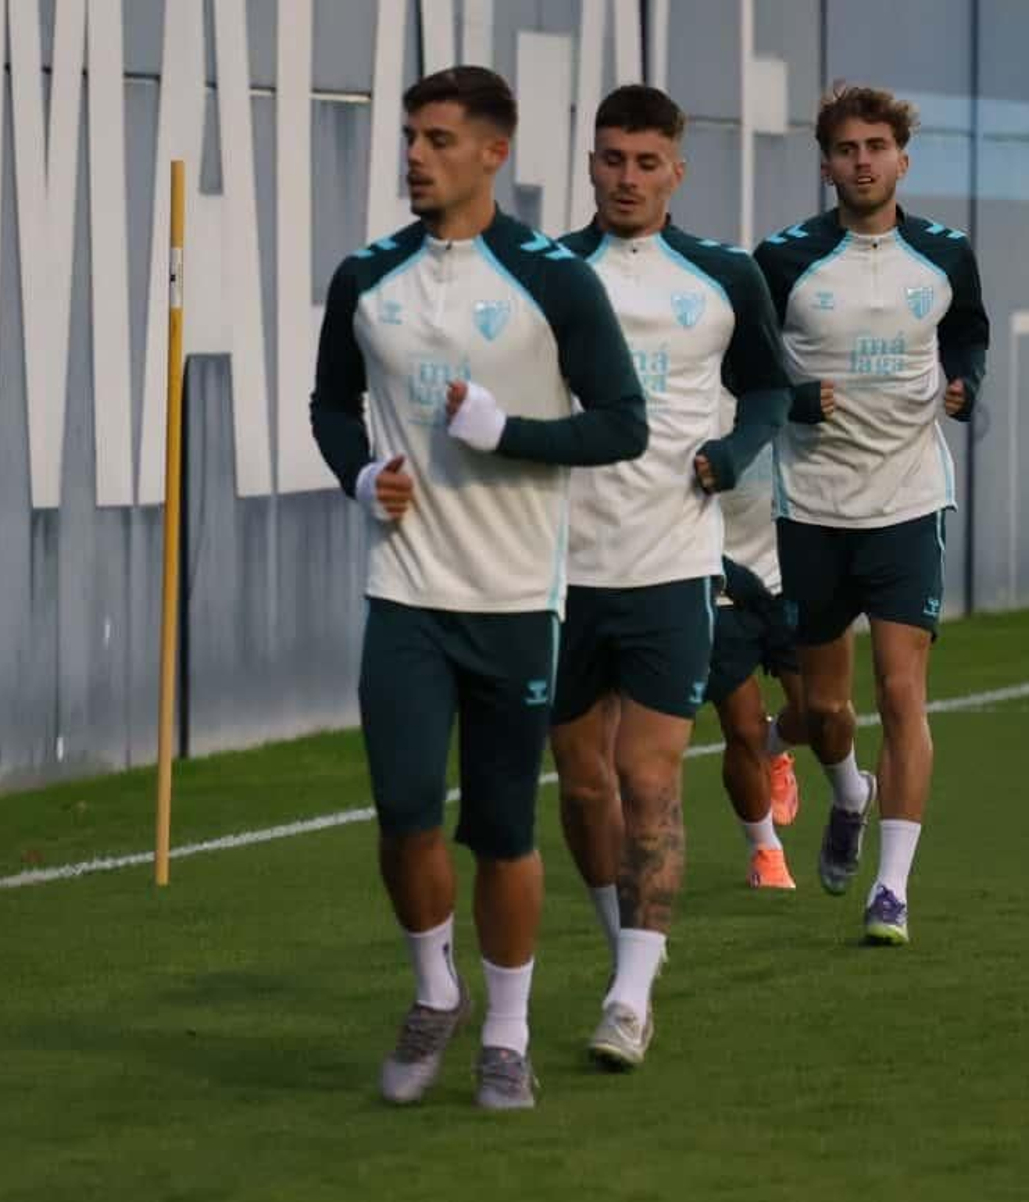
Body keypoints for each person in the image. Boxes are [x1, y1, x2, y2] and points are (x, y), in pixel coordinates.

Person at [310, 66, 646, 1110]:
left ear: (493, 153)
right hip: (404, 595)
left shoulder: (552, 281)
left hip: (515, 602)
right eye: (411, 135)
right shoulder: (365, 278)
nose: (415, 154)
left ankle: (507, 1029)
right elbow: (330, 404)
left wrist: (511, 434)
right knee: (404, 811)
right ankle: (434, 991)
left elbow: (624, 422)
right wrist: (360, 473)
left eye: (438, 138)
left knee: (502, 828)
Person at [553, 84, 789, 1068]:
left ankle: (628, 992)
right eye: (611, 159)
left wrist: (731, 457)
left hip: (672, 562)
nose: (627, 178)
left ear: (676, 172)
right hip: (559, 569)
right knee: (581, 785)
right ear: (592, 163)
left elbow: (770, 385)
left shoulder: (722, 274)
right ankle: (625, 963)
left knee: (649, 779)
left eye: (646, 163)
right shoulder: (548, 270)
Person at [754, 84, 989, 946]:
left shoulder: (946, 253)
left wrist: (966, 382)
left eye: (877, 145)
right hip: (811, 503)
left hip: (907, 495)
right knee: (825, 711)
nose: (863, 160)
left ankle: (891, 891)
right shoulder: (781, 262)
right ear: (825, 164)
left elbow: (969, 331)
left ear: (902, 158)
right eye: (847, 148)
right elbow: (746, 370)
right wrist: (793, 400)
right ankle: (847, 793)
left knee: (901, 693)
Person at [707, 422, 809, 889]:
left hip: (786, 571)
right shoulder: (689, 389)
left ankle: (776, 751)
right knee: (742, 726)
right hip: (719, 582)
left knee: (818, 710)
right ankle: (766, 850)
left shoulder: (776, 389)